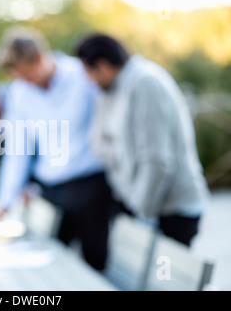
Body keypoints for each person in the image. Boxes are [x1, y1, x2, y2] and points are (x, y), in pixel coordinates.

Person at [0, 26, 115, 271]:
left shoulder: (83, 75)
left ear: (40, 58)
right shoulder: (20, 93)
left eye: (27, 74)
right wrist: (6, 200)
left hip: (92, 188)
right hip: (52, 192)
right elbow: (18, 149)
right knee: (49, 262)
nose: (24, 81)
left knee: (95, 263)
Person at [75, 34, 210, 246]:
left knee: (168, 279)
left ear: (102, 66)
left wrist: (140, 213)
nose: (88, 80)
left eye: (88, 72)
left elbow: (156, 160)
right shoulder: (108, 90)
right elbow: (99, 143)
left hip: (169, 209)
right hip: (138, 203)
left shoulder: (146, 83)